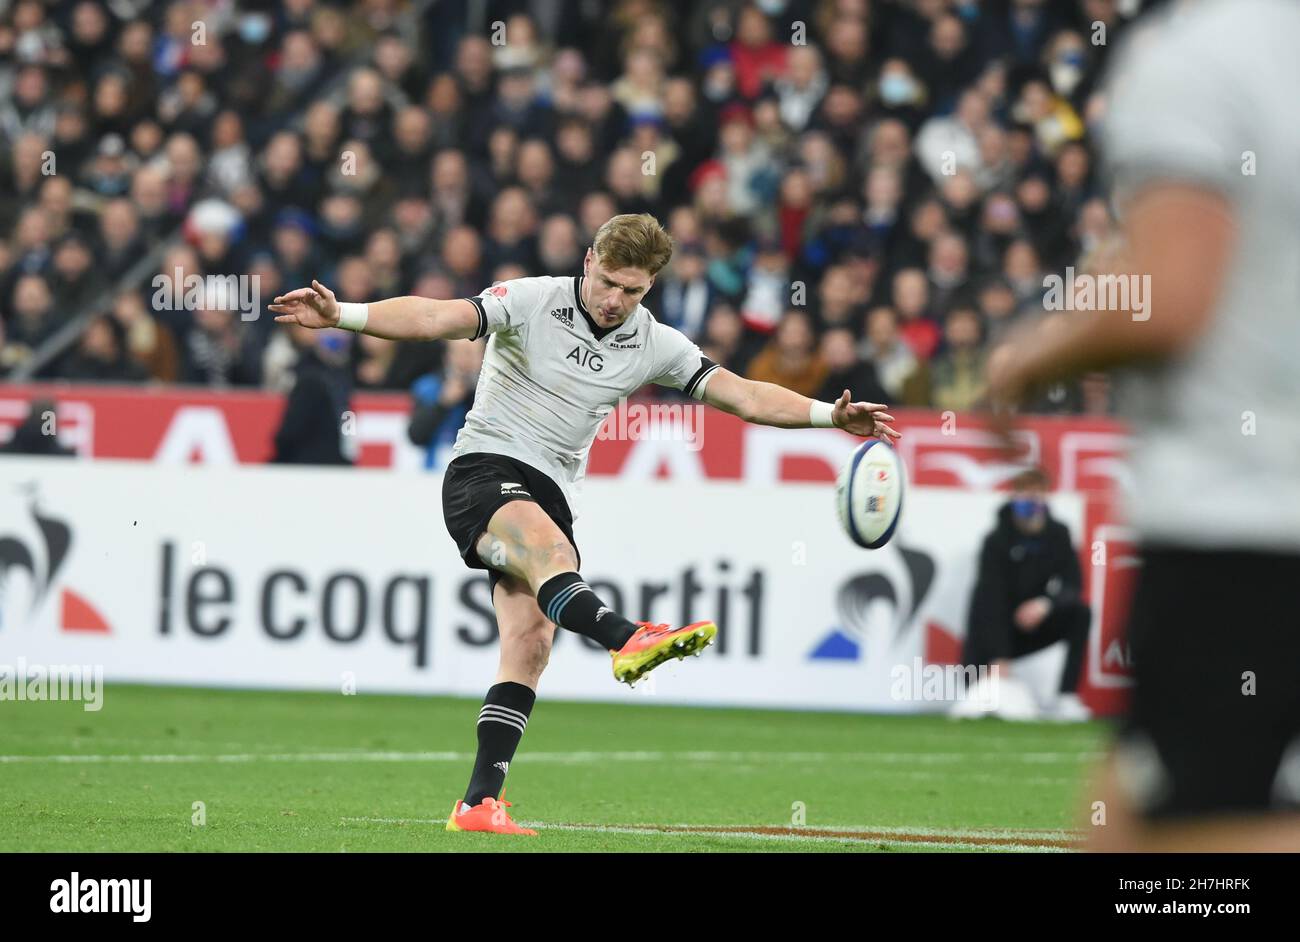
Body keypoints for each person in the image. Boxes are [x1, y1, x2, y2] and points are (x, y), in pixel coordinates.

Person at [270, 213, 900, 836]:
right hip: (485, 468)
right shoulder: (530, 300)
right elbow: (438, 317)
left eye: (635, 291)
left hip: (552, 489)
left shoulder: (655, 341)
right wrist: (346, 315)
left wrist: (827, 416)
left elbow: (743, 395)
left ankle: (479, 805)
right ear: (591, 262)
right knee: (547, 551)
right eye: (611, 283)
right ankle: (628, 637)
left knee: (531, 643)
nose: (617, 301)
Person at [986, 0, 1300, 850]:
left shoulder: (1201, 61)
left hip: (1246, 525)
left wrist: (1027, 357)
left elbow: (1167, 295)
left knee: (1192, 842)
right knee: (1123, 816)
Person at [962, 467, 1090, 721]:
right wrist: (1000, 656)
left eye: (1036, 496)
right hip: (994, 630)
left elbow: (1073, 584)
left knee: (1081, 613)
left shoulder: (1058, 534)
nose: (1029, 503)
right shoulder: (996, 540)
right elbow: (991, 599)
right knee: (977, 701)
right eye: (1023, 495)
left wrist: (1046, 604)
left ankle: (1066, 697)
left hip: (1033, 624)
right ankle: (989, 680)